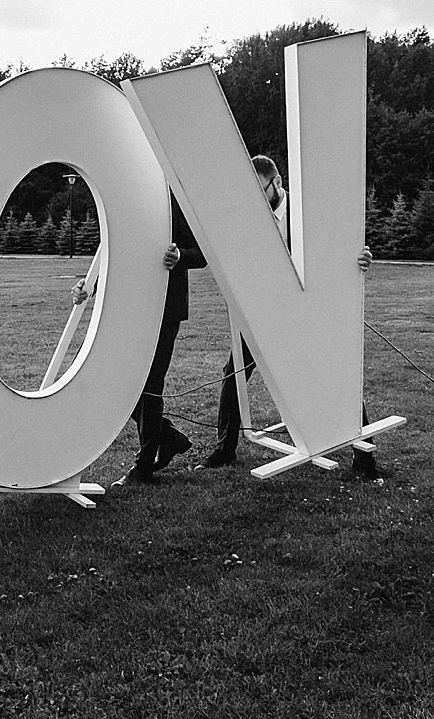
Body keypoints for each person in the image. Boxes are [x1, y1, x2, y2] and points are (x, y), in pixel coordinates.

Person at [198, 155, 382, 480]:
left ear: (277, 183)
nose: (253, 198)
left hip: (305, 309)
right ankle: (224, 450)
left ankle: (364, 457)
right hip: (261, 309)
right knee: (234, 373)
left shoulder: (304, 214)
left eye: (259, 190)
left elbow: (337, 247)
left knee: (335, 375)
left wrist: (360, 256)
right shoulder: (246, 216)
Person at [75, 196, 208, 485]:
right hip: (131, 309)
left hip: (164, 310)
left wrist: (180, 257)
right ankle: (168, 437)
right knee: (121, 386)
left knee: (150, 386)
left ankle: (144, 466)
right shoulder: (125, 197)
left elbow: (202, 252)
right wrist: (89, 287)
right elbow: (117, 255)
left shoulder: (175, 201)